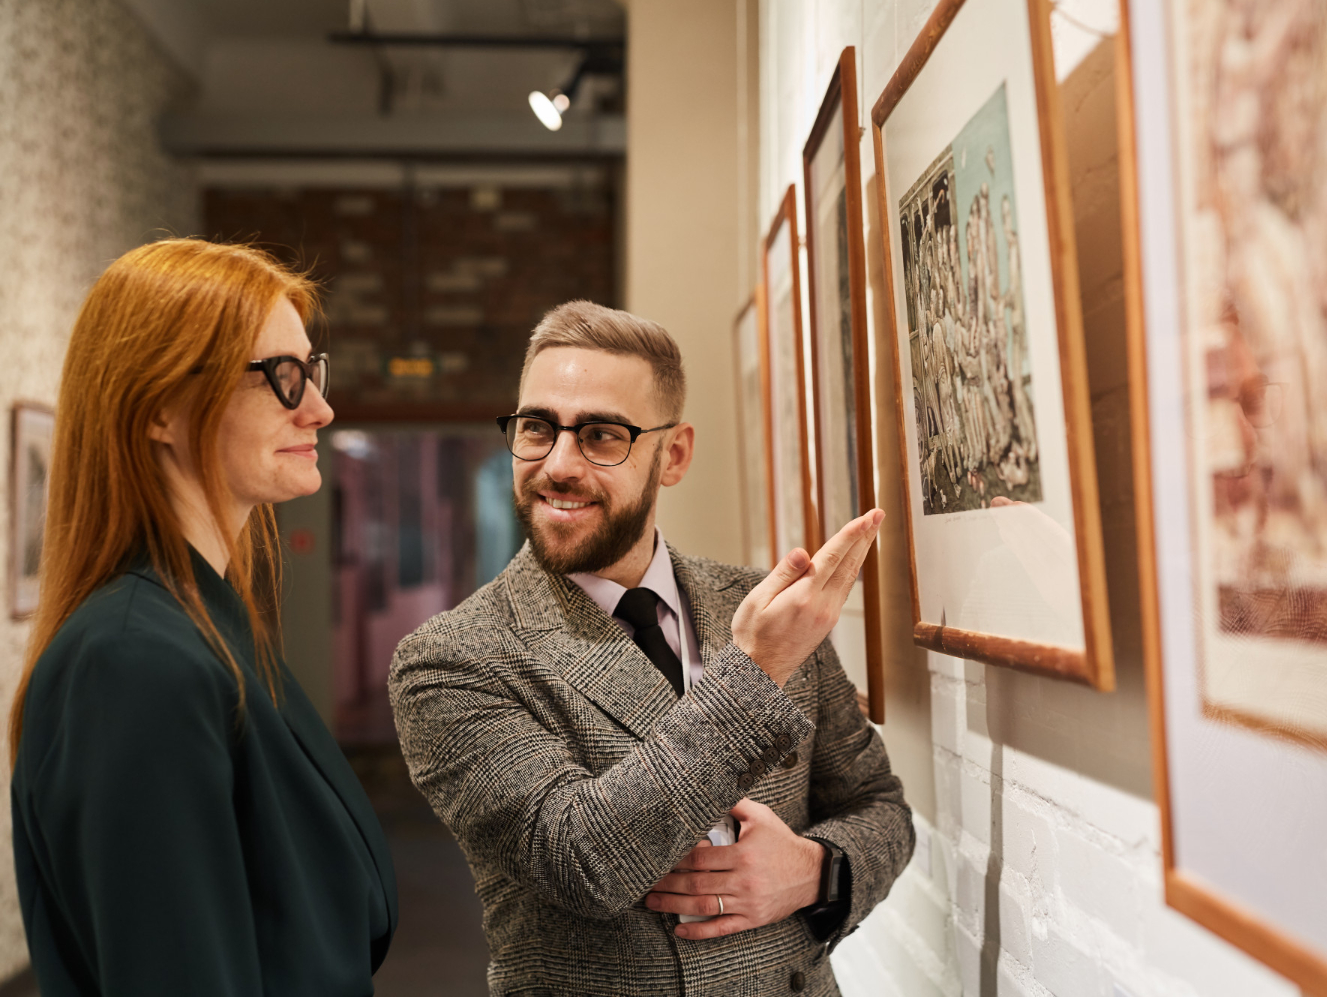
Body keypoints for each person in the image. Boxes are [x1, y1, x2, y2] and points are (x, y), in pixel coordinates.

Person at [390, 301, 913, 997]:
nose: (558, 465)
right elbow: (584, 860)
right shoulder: (452, 658)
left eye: (602, 436)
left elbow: (878, 806)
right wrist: (753, 673)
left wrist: (818, 872)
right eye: (537, 428)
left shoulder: (759, 606)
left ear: (673, 455)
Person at [9, 238, 398, 996]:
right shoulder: (133, 661)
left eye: (312, 371)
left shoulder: (209, 628)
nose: (320, 407)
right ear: (160, 407)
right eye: (281, 377)